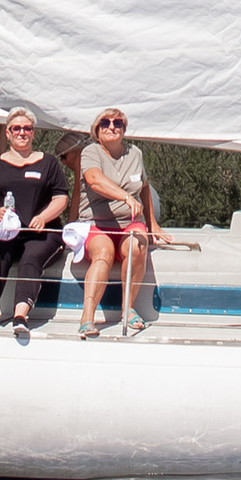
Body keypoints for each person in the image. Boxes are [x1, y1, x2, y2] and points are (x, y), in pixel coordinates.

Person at [0, 111, 69, 333]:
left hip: (41, 232)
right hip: (4, 230)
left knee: (32, 256)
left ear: (33, 133)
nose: (22, 132)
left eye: (27, 128)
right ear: (8, 132)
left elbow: (61, 198)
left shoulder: (48, 163)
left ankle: (20, 316)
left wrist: (43, 217)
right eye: (17, 128)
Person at [77, 106, 161, 336]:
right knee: (103, 251)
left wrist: (152, 224)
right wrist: (124, 197)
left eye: (117, 123)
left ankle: (128, 308)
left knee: (138, 246)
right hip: (96, 222)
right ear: (97, 129)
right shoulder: (91, 152)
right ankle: (87, 317)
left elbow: (143, 187)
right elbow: (94, 180)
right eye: (105, 123)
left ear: (124, 129)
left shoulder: (135, 153)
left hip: (129, 223)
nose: (111, 127)